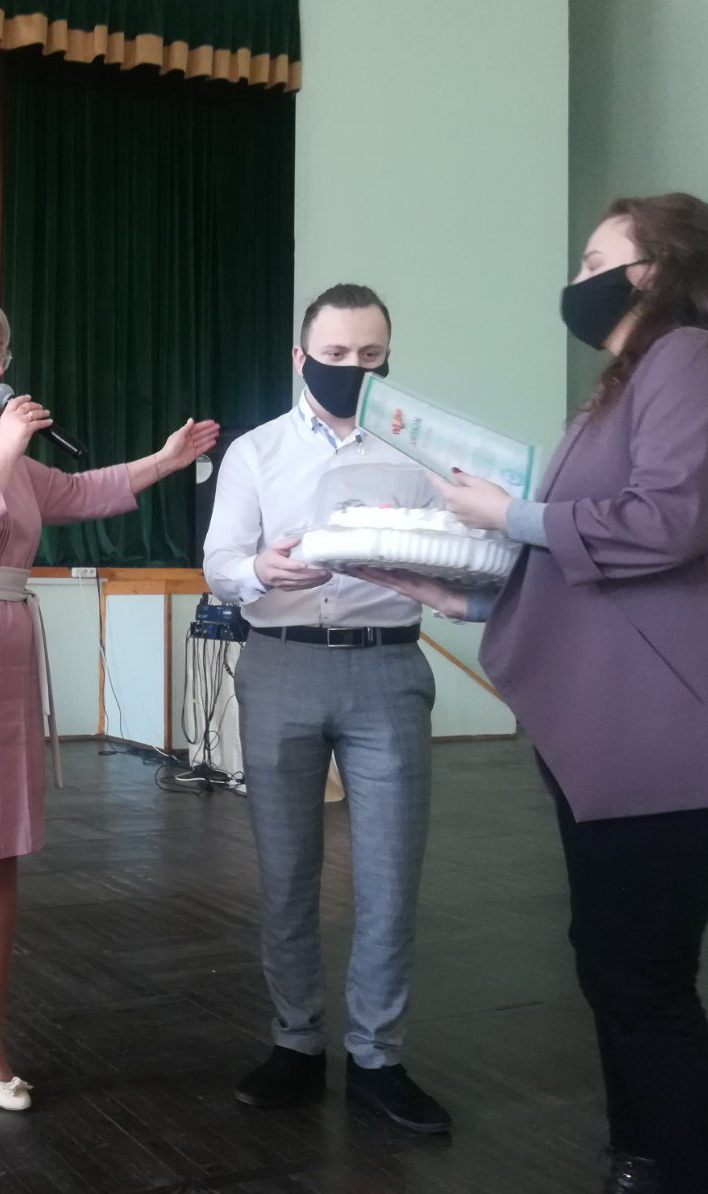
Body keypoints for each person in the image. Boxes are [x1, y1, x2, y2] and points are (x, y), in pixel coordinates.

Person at [353, 193, 708, 1194]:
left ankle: (694, 1170)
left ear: (660, 269)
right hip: (611, 734)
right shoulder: (625, 384)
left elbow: (665, 521)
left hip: (662, 733)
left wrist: (507, 514)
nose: (578, 278)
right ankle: (642, 1159)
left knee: (644, 983)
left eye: (598, 259)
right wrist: (461, 592)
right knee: (613, 969)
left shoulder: (693, 357)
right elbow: (590, 560)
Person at [0, 280, 217, 1111]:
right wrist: (5, 451)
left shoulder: (10, 453)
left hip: (7, 653)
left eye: (2, 350)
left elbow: (81, 492)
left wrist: (164, 460)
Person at [202, 284, 452, 1134]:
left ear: (388, 359)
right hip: (281, 663)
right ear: (301, 358)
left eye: (370, 356)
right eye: (336, 354)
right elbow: (220, 563)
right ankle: (296, 1042)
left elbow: (456, 552)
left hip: (388, 668)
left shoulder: (417, 457)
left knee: (390, 876)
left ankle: (379, 1059)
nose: (353, 368)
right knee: (285, 872)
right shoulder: (257, 452)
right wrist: (259, 571)